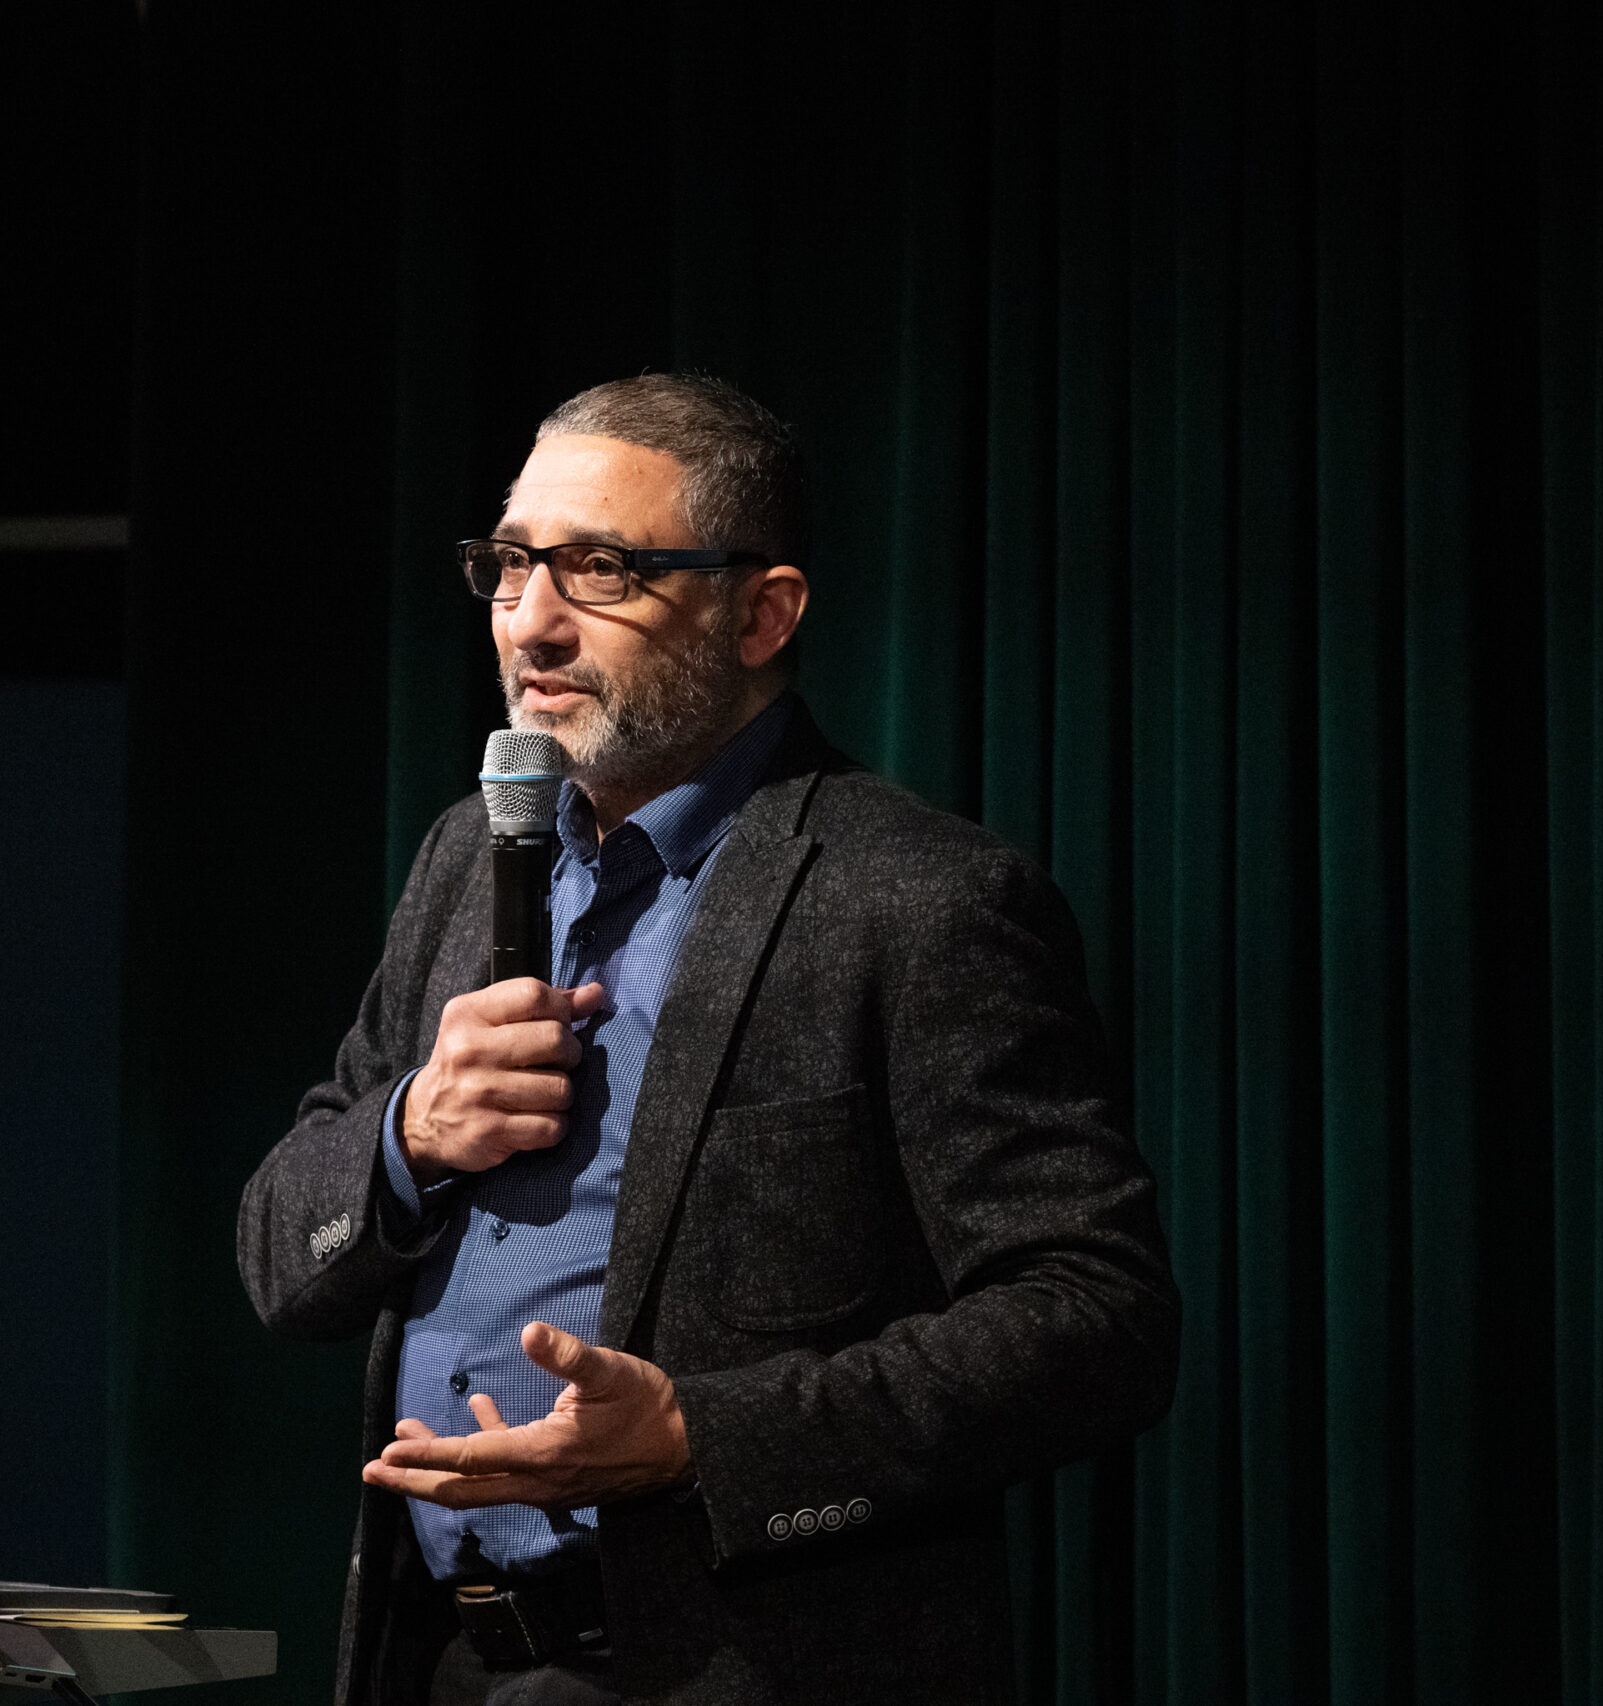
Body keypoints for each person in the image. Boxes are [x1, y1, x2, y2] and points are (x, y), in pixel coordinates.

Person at [237, 373, 1177, 1705]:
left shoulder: (918, 896)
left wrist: (697, 1436)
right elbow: (282, 1258)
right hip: (440, 1659)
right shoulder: (467, 855)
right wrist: (409, 1136)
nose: (531, 622)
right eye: (510, 564)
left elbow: (1096, 1319)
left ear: (762, 614)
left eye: (601, 570)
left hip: (724, 1669)